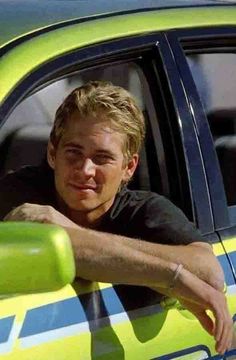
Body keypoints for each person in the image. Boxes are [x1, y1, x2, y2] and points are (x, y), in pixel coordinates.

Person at [1, 81, 233, 354]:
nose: (85, 170)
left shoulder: (144, 211)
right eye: (74, 153)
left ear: (129, 167)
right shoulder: (17, 192)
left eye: (102, 158)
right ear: (52, 153)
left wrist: (65, 231)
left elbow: (210, 273)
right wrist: (169, 275)